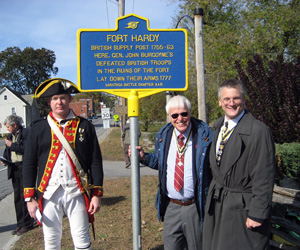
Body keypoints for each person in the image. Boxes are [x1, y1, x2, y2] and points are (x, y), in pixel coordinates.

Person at [22, 78, 104, 250]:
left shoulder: (84, 126)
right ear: (48, 102)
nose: (59, 102)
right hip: (49, 193)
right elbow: (29, 163)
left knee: (81, 239)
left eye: (62, 97)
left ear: (69, 99)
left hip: (76, 191)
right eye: (54, 98)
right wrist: (30, 198)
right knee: (51, 241)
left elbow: (95, 160)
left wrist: (96, 193)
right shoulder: (38, 129)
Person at [131, 95, 213, 250]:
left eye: (184, 114)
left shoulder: (204, 136)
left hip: (195, 207)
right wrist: (144, 158)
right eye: (175, 115)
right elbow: (162, 163)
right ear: (169, 117)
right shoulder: (164, 136)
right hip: (171, 207)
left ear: (190, 112)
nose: (180, 119)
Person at [203, 79, 276, 250]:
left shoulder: (258, 131)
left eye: (236, 98)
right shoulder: (219, 126)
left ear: (243, 100)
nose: (231, 103)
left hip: (243, 208)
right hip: (218, 204)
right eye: (227, 99)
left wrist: (257, 214)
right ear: (220, 102)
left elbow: (264, 177)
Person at [1, 115, 34, 236]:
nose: (7, 129)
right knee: (17, 198)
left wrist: (12, 145)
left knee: (25, 195)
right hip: (14, 168)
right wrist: (5, 159)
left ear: (15, 125)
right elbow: (8, 150)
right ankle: (20, 224)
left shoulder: (26, 133)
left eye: (8, 127)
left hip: (24, 168)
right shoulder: (10, 136)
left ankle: (27, 223)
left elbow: (27, 149)